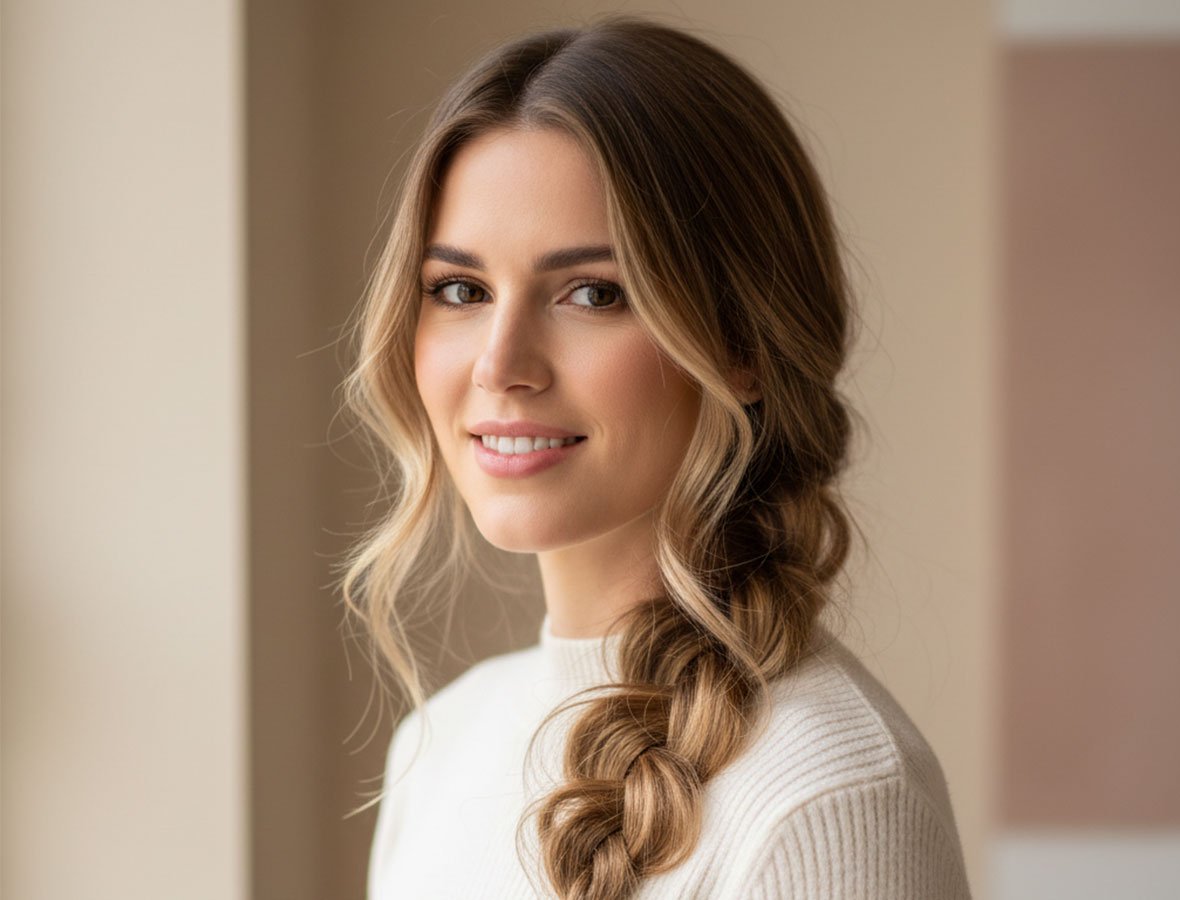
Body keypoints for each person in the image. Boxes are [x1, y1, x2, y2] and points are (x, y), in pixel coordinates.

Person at [340, 16, 972, 900]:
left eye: (593, 293)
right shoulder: (441, 745)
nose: (500, 364)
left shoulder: (828, 799)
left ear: (741, 342)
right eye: (460, 289)